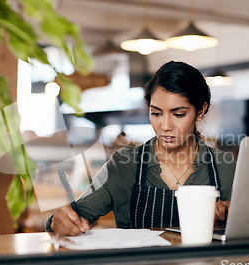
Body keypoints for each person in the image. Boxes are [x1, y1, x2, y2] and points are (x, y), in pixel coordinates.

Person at [46, 61, 235, 236]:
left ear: (201, 111)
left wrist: (231, 214)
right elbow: (72, 216)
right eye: (156, 113)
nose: (165, 125)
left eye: (178, 114)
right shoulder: (124, 165)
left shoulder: (224, 168)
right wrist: (60, 221)